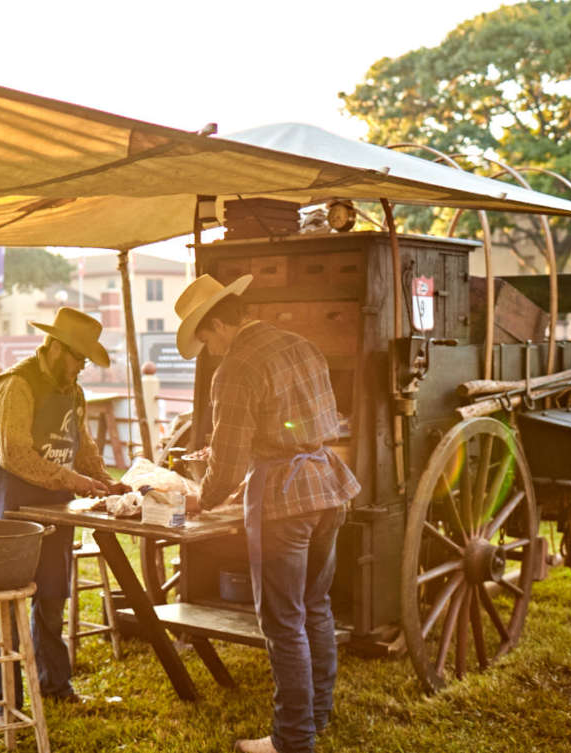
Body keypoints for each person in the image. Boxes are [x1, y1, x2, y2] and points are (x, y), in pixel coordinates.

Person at [175, 275, 360, 753]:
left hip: (283, 500)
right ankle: (317, 716)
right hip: (328, 486)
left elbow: (229, 460)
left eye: (206, 338)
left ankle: (293, 740)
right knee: (315, 606)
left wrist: (203, 496)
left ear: (219, 322)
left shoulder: (236, 367)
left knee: (282, 621)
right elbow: (313, 422)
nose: (209, 350)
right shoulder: (301, 344)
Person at [0, 306, 127, 711]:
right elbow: (14, 455)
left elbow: (82, 448)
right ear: (58, 348)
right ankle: (1, 699)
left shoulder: (73, 392)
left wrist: (105, 480)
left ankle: (55, 686)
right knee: (7, 599)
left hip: (56, 502)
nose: (82, 366)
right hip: (13, 498)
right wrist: (76, 482)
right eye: (79, 357)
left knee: (51, 595)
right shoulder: (17, 385)